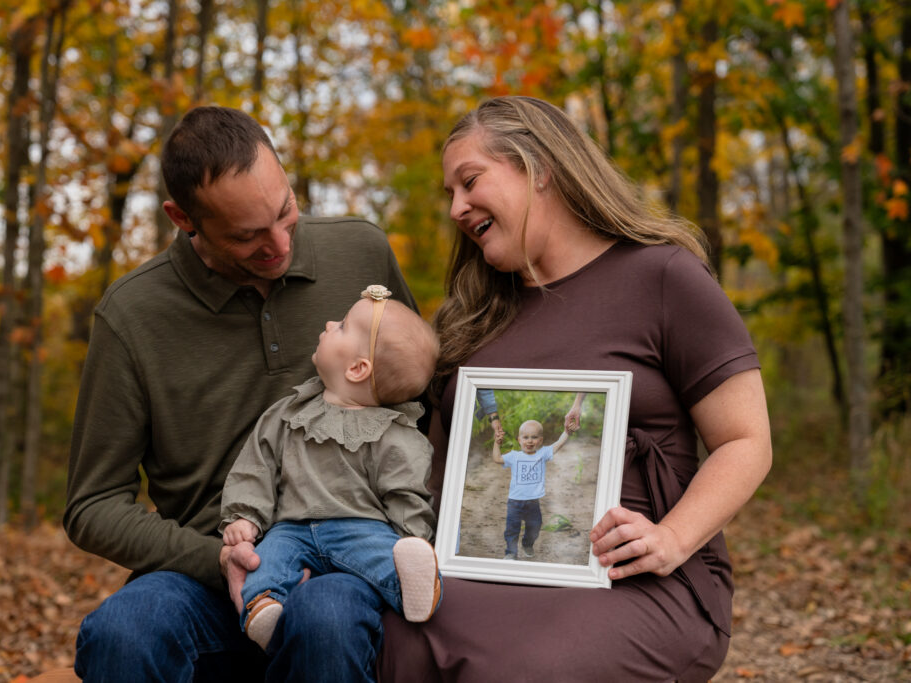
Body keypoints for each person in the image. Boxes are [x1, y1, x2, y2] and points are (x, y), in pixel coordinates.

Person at [377, 96, 772, 681]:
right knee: (376, 639)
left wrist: (671, 538)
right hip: (473, 580)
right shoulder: (469, 316)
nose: (457, 207)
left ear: (540, 169)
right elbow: (428, 467)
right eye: (450, 195)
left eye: (470, 181)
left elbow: (746, 439)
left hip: (635, 581)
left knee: (526, 669)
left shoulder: (663, 276)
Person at [63, 106, 419, 682]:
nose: (278, 244)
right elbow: (92, 506)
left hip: (343, 558)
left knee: (327, 620)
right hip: (205, 571)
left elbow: (418, 399)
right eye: (247, 236)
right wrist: (219, 560)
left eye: (286, 212)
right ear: (184, 218)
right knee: (124, 634)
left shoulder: (361, 253)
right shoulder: (133, 315)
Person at [220, 286, 442, 650]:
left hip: (359, 529)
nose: (328, 323)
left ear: (357, 368)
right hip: (290, 528)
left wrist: (412, 537)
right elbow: (257, 465)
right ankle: (264, 609)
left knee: (383, 555)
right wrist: (244, 517)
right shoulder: (290, 413)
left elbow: (407, 492)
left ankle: (414, 589)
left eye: (340, 326)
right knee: (265, 561)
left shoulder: (392, 435)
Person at [492, 415, 575, 560]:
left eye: (534, 437)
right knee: (512, 529)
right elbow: (497, 459)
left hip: (533, 502)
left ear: (540, 441)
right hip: (515, 502)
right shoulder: (514, 456)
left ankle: (527, 544)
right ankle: (511, 553)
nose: (529, 441)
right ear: (519, 439)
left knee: (535, 526)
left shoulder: (542, 454)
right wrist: (497, 443)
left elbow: (558, 444)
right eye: (525, 437)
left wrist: (567, 432)